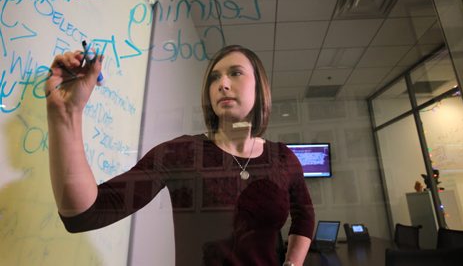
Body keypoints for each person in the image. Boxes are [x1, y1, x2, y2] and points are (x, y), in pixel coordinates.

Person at [45, 44, 315, 265]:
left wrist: (293, 263)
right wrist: (67, 114)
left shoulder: (282, 158)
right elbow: (85, 213)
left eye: (235, 73)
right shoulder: (181, 153)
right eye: (214, 77)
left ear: (260, 87)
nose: (222, 83)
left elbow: (305, 216)